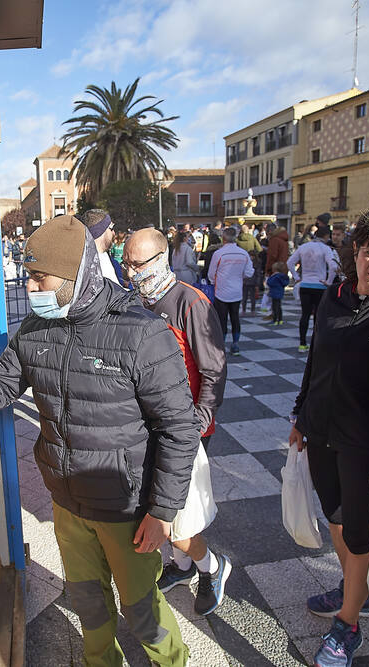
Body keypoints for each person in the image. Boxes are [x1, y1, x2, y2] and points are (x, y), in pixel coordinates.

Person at [0, 214, 198, 666]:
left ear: (75, 274)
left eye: (39, 277)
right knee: (88, 604)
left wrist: (162, 511)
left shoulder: (141, 333)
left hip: (126, 508)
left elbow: (179, 428)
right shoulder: (37, 330)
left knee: (144, 614)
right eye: (28, 276)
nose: (31, 287)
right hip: (67, 503)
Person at [288, 203, 369, 667]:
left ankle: (349, 626)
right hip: (321, 431)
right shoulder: (334, 295)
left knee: (359, 531)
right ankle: (354, 590)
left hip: (366, 444)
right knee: (337, 520)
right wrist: (301, 415)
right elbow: (316, 360)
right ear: (355, 252)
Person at [123, 228, 231, 615]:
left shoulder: (191, 302)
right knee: (158, 505)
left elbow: (214, 367)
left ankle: (212, 567)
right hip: (149, 426)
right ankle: (182, 566)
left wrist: (200, 421)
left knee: (177, 518)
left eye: (138, 264)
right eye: (127, 263)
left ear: (161, 260)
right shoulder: (137, 302)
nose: (131, 272)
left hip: (185, 430)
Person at [287, 227, 340, 353]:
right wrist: (329, 282)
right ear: (326, 236)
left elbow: (290, 262)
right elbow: (333, 266)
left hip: (305, 284)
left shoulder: (303, 247)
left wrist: (296, 277)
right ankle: (316, 343)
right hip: (320, 285)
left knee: (304, 315)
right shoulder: (326, 248)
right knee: (318, 316)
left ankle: (302, 343)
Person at [208, 227, 255, 354]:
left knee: (222, 319)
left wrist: (215, 282)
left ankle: (221, 345)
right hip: (237, 291)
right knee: (235, 318)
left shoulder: (219, 253)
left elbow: (211, 274)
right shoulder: (243, 253)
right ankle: (235, 344)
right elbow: (249, 272)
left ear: (223, 238)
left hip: (221, 291)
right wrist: (239, 276)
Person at [81, 208, 121, 286]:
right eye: (111, 228)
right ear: (101, 231)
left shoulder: (101, 255)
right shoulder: (94, 262)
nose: (113, 233)